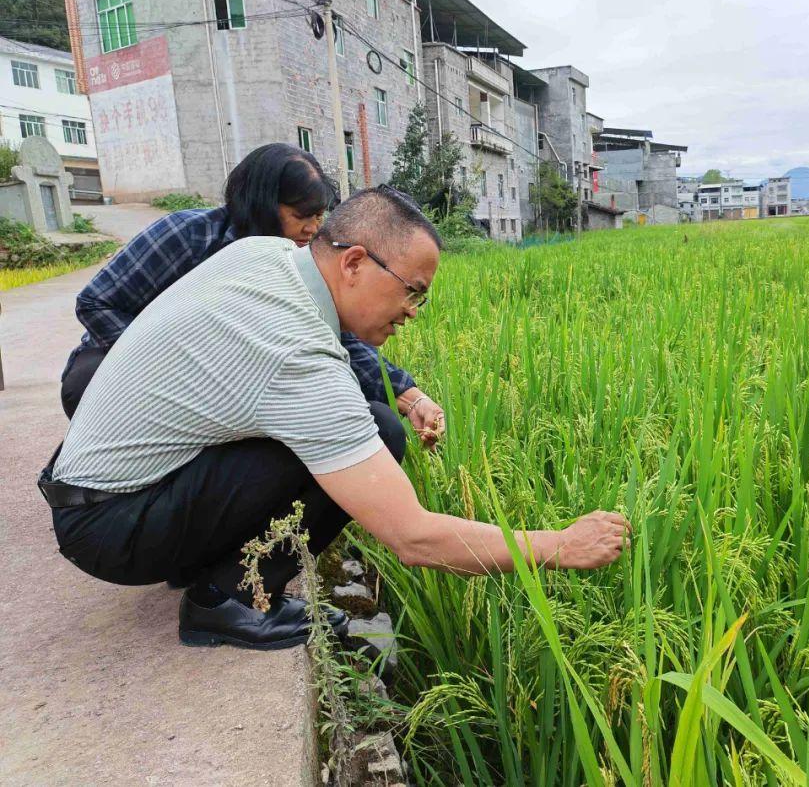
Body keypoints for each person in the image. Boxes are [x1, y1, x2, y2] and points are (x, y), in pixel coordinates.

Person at [39, 186, 630, 651]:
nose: (412, 313)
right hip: (110, 528)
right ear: (352, 263)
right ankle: (223, 599)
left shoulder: (265, 256)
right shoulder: (295, 355)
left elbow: (351, 360)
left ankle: (206, 566)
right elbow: (414, 538)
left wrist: (405, 390)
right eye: (413, 292)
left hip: (97, 492)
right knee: (372, 433)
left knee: (371, 421)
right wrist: (558, 545)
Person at [59, 143, 445, 457]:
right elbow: (96, 302)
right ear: (261, 202)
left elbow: (340, 338)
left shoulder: (299, 263)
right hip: (134, 371)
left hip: (236, 389)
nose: (312, 229)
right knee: (87, 380)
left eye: (319, 217)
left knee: (376, 423)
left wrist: (409, 397)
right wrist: (169, 366)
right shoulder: (188, 235)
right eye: (301, 216)